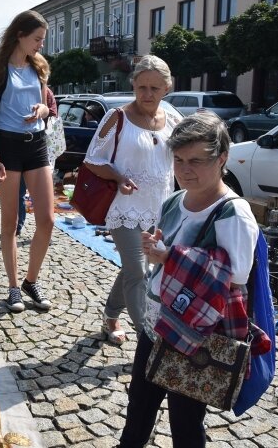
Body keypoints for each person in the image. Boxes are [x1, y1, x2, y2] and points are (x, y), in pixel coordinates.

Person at [118, 111, 259, 447]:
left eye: (196, 160)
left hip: (197, 333)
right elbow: (166, 252)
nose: (184, 170)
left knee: (184, 420)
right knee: (139, 405)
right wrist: (155, 249)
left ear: (222, 158)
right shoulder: (173, 201)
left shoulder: (232, 212)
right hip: (156, 325)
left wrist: (170, 257)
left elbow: (237, 274)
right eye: (178, 159)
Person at [82, 55, 181, 345]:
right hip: (124, 208)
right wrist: (116, 177)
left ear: (167, 88)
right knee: (138, 272)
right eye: (142, 87)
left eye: (155, 88)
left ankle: (110, 316)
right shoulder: (117, 117)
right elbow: (92, 159)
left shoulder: (173, 117)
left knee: (133, 269)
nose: (147, 95)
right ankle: (147, 339)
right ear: (134, 85)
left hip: (161, 208)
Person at [0, 10, 54, 312]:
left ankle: (30, 280)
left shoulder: (39, 67)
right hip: (7, 147)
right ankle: (13, 287)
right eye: (37, 39)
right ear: (20, 35)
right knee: (10, 222)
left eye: (42, 40)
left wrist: (41, 111)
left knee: (47, 221)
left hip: (36, 144)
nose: (40, 45)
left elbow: (47, 107)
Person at [17, 88, 57, 235]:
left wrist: (40, 113)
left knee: (42, 194)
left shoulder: (46, 92)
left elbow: (53, 115)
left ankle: (45, 229)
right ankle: (17, 225)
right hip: (18, 145)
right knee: (19, 191)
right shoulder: (19, 91)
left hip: (42, 145)